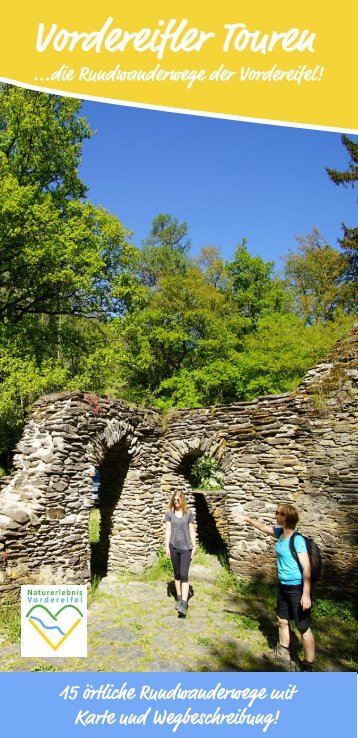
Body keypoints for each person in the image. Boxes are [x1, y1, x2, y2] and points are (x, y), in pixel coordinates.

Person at [235, 503, 315, 671]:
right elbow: (263, 527)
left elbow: (307, 568)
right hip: (283, 587)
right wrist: (247, 519)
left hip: (297, 589)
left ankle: (308, 665)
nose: (275, 515)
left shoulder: (297, 540)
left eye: (277, 513)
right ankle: (283, 654)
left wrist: (306, 594)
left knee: (303, 627)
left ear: (284, 518)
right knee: (282, 620)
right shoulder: (280, 534)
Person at [165, 491, 196, 617]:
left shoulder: (188, 514)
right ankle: (178, 597)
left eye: (178, 500)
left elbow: (192, 530)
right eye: (174, 500)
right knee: (177, 574)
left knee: (184, 574)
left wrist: (194, 546)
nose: (176, 502)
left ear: (182, 500)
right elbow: (168, 530)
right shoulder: (169, 514)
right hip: (174, 547)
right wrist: (166, 546)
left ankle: (184, 603)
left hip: (186, 548)